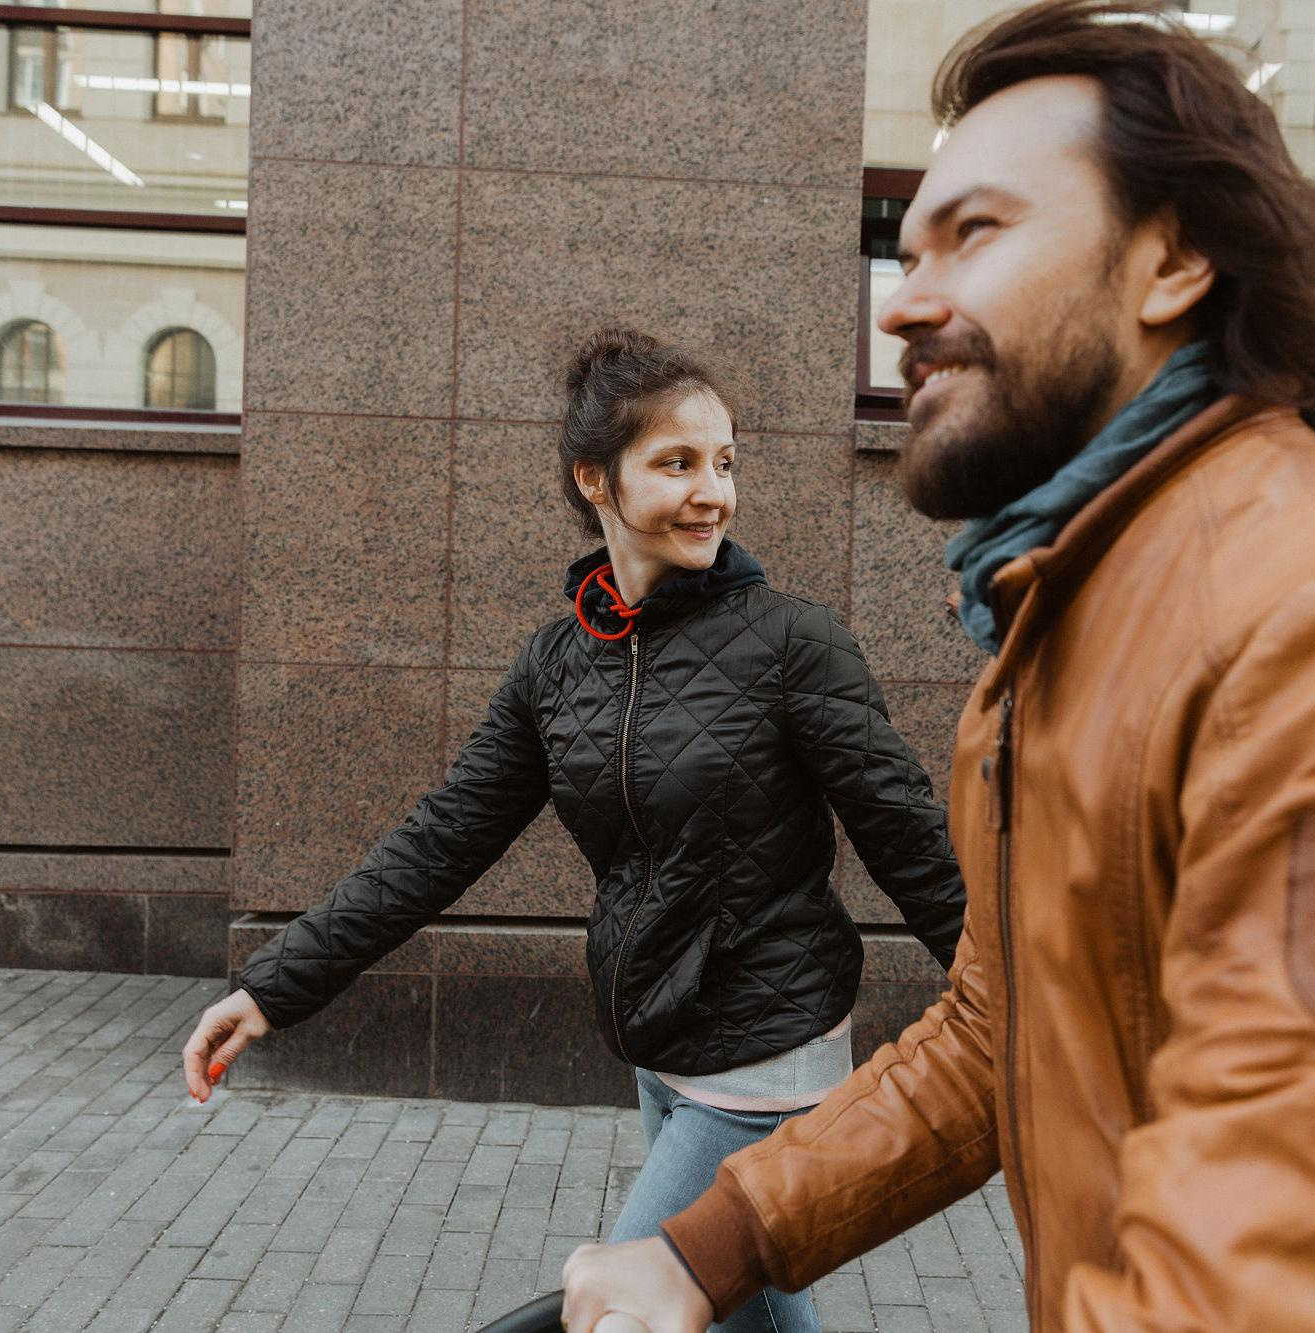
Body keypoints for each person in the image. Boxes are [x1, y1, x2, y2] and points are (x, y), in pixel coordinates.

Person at [560, 4, 1315, 1331]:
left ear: (1172, 260)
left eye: (976, 232)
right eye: (907, 247)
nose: (905, 301)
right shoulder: (1053, 646)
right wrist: (712, 1243)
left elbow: (1310, 1280)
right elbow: (996, 1034)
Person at [180, 329, 965, 1333]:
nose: (711, 492)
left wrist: (1016, 1019)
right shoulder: (558, 665)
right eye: (676, 462)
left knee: (615, 1307)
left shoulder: (789, 642)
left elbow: (911, 844)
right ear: (596, 479)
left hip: (767, 1059)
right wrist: (274, 985)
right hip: (660, 1048)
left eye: (723, 463)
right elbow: (444, 834)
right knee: (752, 1313)